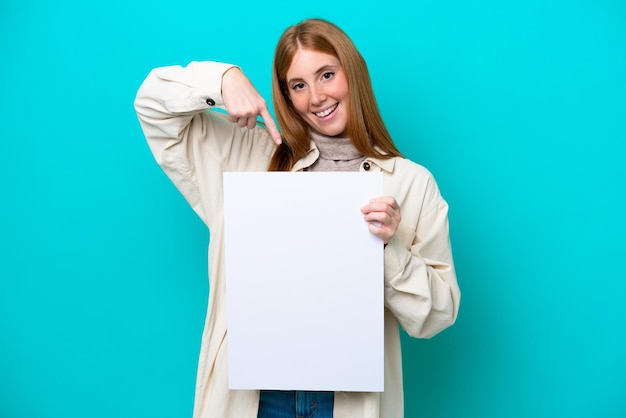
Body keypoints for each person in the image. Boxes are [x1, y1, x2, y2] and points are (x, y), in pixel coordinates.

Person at [135, 18, 460, 418]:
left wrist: (390, 248)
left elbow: (438, 315)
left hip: (347, 400)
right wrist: (223, 79)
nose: (317, 96)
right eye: (298, 85)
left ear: (351, 73)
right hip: (256, 398)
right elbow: (151, 106)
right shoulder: (250, 156)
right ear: (286, 96)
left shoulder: (411, 182)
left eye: (327, 74)